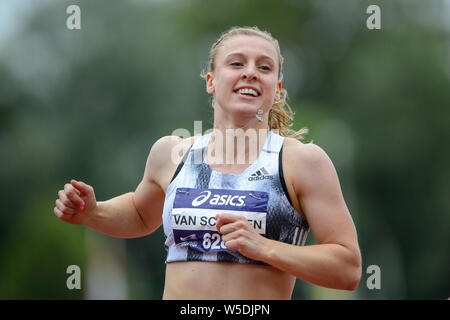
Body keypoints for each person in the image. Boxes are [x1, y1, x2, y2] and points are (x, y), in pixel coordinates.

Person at [54, 26, 362, 299]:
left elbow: (347, 268)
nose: (251, 72)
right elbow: (139, 213)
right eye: (237, 63)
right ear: (211, 81)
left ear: (277, 90)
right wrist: (94, 212)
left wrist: (264, 247)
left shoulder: (302, 162)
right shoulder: (170, 154)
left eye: (264, 67)